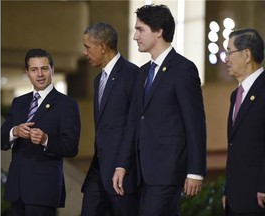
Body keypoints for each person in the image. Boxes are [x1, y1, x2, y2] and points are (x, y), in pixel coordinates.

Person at [112, 4, 207, 216]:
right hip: (140, 172)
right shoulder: (142, 73)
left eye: (140, 29)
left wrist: (196, 171)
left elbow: (195, 123)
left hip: (168, 169)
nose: (135, 36)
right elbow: (134, 122)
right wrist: (121, 165)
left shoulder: (183, 69)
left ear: (158, 31)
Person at [1, 48, 81, 216]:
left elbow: (71, 147)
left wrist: (46, 140)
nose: (40, 74)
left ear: (52, 69)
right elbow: (1, 140)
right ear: (27, 72)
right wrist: (14, 131)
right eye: (34, 69)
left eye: (44, 68)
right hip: (16, 188)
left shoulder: (67, 104)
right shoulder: (19, 102)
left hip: (43, 191)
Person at [80, 22, 139, 216]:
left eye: (88, 47)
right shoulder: (98, 80)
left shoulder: (133, 75)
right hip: (98, 168)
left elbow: (134, 125)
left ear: (103, 47)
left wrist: (123, 164)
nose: (85, 53)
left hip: (122, 173)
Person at [222, 28, 265, 216]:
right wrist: (228, 190)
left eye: (229, 52)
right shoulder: (236, 95)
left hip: (258, 196)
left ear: (247, 54)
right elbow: (234, 146)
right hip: (236, 197)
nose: (226, 59)